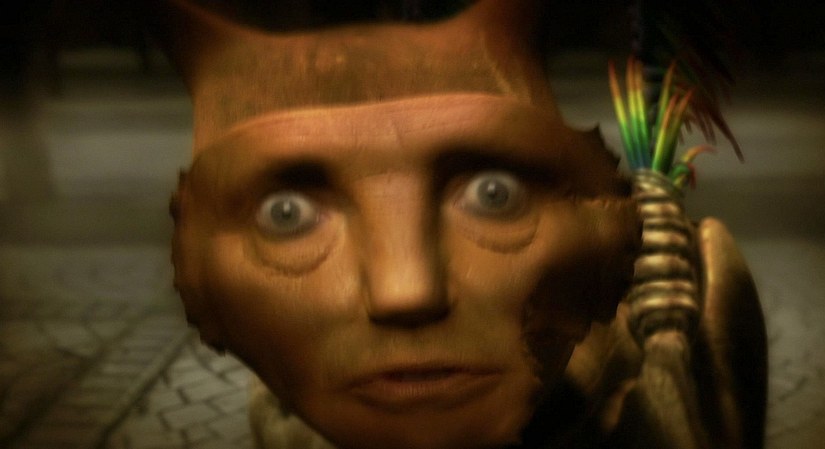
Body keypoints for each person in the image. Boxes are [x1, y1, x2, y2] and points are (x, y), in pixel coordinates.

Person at [158, 1, 766, 447]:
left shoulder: (673, 338)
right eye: (286, 215)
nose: (406, 290)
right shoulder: (284, 415)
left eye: (493, 196)